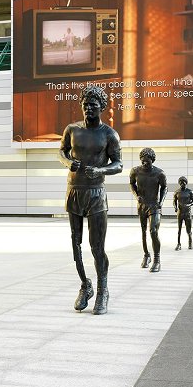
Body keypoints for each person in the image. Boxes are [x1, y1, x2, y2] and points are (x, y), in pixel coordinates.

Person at [59, 85, 122, 315]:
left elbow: (119, 164)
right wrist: (68, 163)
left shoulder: (109, 134)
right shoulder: (72, 129)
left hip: (96, 193)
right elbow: (62, 152)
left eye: (93, 105)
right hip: (74, 190)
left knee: (97, 247)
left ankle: (103, 289)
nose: (88, 109)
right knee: (76, 244)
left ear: (101, 108)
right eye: (85, 105)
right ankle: (86, 285)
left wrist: (101, 170)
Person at [129, 148, 167, 273]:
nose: (145, 164)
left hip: (154, 205)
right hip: (142, 205)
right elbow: (131, 184)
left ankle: (157, 260)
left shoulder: (159, 173)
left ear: (153, 161)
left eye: (148, 162)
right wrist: (136, 195)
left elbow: (164, 188)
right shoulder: (135, 171)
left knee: (153, 231)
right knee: (144, 231)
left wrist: (161, 202)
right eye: (143, 161)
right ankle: (146, 255)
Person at [173, 175, 193, 250]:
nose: (182, 184)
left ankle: (190, 242)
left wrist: (189, 204)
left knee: (188, 229)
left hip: (187, 212)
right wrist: (175, 207)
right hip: (180, 212)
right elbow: (174, 201)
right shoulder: (177, 192)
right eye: (181, 182)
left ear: (186, 183)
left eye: (184, 182)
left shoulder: (190, 191)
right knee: (179, 229)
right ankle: (178, 244)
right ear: (179, 183)